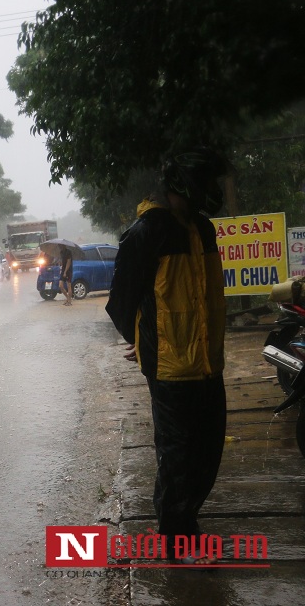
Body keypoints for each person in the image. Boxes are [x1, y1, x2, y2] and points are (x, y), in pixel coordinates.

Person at [105, 148, 231, 565]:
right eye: (207, 182)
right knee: (177, 459)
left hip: (209, 364)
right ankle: (177, 543)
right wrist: (141, 341)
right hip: (171, 370)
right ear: (184, 183)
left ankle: (183, 524)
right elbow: (121, 301)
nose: (213, 190)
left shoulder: (203, 229)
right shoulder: (148, 231)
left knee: (208, 452)